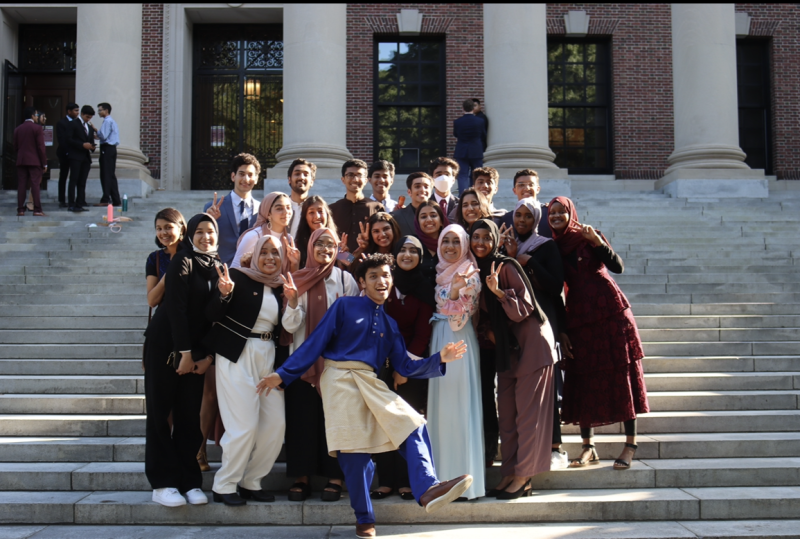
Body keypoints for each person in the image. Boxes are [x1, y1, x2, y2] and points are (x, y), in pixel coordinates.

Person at [258, 253, 473, 539]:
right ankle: (364, 519)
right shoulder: (345, 306)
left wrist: (439, 358)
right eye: (373, 276)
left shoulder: (390, 324)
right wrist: (284, 374)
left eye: (385, 275)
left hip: (370, 383)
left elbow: (405, 366)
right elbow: (315, 342)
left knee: (414, 424)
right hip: (339, 379)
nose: (381, 281)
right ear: (362, 282)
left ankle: (428, 489)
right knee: (354, 454)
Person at [547, 196, 649, 470]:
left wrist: (598, 243)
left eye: (561, 212)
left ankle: (630, 444)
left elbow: (618, 267)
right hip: (580, 316)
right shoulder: (554, 247)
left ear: (571, 214)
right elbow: (556, 292)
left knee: (622, 374)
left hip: (611, 312)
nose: (556, 216)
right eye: (552, 213)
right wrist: (563, 331)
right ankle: (588, 447)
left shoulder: (588, 236)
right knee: (583, 378)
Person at [470, 219, 557, 499]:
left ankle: (524, 476)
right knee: (507, 414)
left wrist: (497, 291)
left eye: (487, 237)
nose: (480, 242)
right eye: (476, 237)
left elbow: (524, 310)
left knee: (528, 417)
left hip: (532, 346)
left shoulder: (506, 266)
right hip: (507, 351)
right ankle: (509, 472)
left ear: (495, 241)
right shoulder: (474, 271)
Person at [205, 235, 287, 506]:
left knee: (275, 425)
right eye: (264, 252)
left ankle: (252, 481)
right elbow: (212, 315)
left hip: (268, 358)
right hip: (237, 355)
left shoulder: (281, 286)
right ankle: (225, 484)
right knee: (244, 426)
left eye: (275, 253)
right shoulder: (237, 277)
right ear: (253, 254)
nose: (270, 258)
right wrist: (224, 294)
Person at [144, 213, 219, 508]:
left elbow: (217, 318)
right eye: (199, 232)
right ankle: (162, 483)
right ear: (190, 234)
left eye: (210, 232)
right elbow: (174, 309)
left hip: (196, 352)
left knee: (189, 416)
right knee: (161, 414)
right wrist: (184, 353)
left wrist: (207, 356)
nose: (205, 237)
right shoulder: (182, 260)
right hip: (167, 346)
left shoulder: (217, 266)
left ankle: (189, 481)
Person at [280, 227, 359, 503]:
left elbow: (353, 324)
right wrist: (291, 302)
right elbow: (291, 325)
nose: (325, 249)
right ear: (310, 247)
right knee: (302, 420)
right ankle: (302, 477)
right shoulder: (298, 279)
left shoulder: (345, 280)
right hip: (303, 363)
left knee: (334, 420)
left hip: (335, 364)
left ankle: (334, 478)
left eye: (330, 245)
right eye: (319, 244)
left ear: (337, 249)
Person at [504, 197, 569, 470]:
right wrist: (508, 255)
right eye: (518, 215)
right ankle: (522, 445)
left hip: (541, 321)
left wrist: (526, 261)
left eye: (527, 216)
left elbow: (555, 287)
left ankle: (554, 445)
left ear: (536, 219)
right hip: (513, 322)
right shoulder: (505, 244)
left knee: (547, 386)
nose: (521, 220)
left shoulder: (546, 246)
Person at [371, 236, 435, 501]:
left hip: (411, 368)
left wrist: (404, 369)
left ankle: (407, 480)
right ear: (395, 254)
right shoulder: (385, 286)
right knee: (384, 423)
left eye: (413, 251)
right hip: (381, 367)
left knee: (407, 424)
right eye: (402, 250)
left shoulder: (424, 288)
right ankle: (386, 479)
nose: (407, 255)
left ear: (420, 256)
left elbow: (422, 334)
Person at [426, 224, 485, 500]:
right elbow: (442, 301)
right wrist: (450, 292)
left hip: (459, 338)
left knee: (460, 403)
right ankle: (440, 479)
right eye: (445, 241)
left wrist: (455, 292)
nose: (450, 246)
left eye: (455, 241)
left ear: (464, 244)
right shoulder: (437, 272)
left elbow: (461, 311)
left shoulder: (471, 274)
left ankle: (465, 478)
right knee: (442, 405)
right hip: (439, 336)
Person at [204, 153, 262, 265]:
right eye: (241, 174)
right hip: (221, 270)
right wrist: (208, 220)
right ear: (233, 176)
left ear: (256, 179)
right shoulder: (213, 208)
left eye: (250, 175)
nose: (246, 179)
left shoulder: (262, 209)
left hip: (251, 271)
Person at [232, 191, 298, 271]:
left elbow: (292, 276)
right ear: (268, 213)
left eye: (288, 207)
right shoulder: (254, 236)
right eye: (279, 208)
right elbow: (234, 270)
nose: (286, 212)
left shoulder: (288, 239)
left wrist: (295, 263)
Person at [330, 159, 385, 253]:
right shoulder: (332, 209)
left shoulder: (376, 207)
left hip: (369, 263)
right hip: (338, 264)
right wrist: (347, 260)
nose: (355, 179)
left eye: (359, 175)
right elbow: (329, 241)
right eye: (350, 175)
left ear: (366, 180)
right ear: (343, 180)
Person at [146, 208, 187, 310]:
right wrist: (168, 276)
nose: (163, 232)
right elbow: (151, 301)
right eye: (159, 229)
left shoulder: (190, 255)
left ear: (181, 229)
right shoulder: (154, 258)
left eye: (168, 227)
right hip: (164, 318)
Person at [13, 106, 47, 217]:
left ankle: (20, 210)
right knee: (35, 185)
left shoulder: (18, 129)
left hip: (21, 160)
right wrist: (44, 162)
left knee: (22, 185)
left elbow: (16, 146)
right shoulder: (37, 128)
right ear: (33, 116)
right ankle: (37, 209)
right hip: (35, 160)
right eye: (36, 115)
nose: (37, 117)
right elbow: (41, 147)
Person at [499, 169, 551, 238]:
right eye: (521, 185)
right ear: (514, 190)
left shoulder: (549, 213)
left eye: (531, 184)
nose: (527, 188)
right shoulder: (507, 219)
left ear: (538, 189)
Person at [66, 105, 96, 213]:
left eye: (90, 118)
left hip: (85, 158)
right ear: (82, 114)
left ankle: (80, 202)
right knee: (73, 180)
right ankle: (71, 203)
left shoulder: (89, 127)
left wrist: (92, 147)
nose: (88, 119)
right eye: (87, 117)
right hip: (75, 156)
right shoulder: (73, 124)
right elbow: (69, 139)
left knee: (82, 181)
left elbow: (91, 140)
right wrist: (82, 145)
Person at [295, 196, 338, 268]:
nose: (317, 216)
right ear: (305, 217)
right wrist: (294, 264)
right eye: (311, 212)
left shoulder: (336, 243)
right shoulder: (297, 246)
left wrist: (359, 250)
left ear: (327, 214)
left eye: (320, 211)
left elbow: (350, 261)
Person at [453, 99, 486, 194]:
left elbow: (456, 134)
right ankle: (476, 193)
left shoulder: (457, 122)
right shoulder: (480, 121)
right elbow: (483, 135)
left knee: (462, 174)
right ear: (473, 108)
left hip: (462, 150)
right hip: (476, 150)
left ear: (463, 108)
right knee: (477, 174)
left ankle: (463, 195)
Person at [93, 102, 121, 207]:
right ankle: (116, 199)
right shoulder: (113, 122)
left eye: (100, 110)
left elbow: (103, 136)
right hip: (112, 149)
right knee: (111, 174)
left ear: (106, 110)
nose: (99, 112)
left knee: (105, 174)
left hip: (107, 149)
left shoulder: (107, 121)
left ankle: (105, 198)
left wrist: (96, 132)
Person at [413, 199, 446, 287]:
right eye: (423, 217)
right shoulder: (412, 245)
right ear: (417, 222)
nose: (428, 220)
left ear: (441, 221)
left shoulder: (450, 244)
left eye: (433, 215)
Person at [392, 171, 433, 238]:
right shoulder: (396, 217)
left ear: (431, 191)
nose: (422, 190)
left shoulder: (439, 215)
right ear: (409, 192)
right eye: (417, 186)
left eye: (426, 186)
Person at [55, 103, 79, 209]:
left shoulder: (78, 123)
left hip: (76, 155)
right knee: (63, 176)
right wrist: (68, 151)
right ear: (69, 111)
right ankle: (61, 200)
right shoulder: (61, 123)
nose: (77, 113)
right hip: (65, 154)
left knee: (74, 177)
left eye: (78, 111)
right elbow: (62, 139)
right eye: (75, 111)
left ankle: (73, 200)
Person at [286, 158, 316, 237]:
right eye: (297, 174)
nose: (301, 177)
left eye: (306, 175)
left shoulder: (317, 210)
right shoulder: (279, 208)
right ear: (289, 179)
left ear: (312, 181)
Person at [428, 157, 459, 221]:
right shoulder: (425, 204)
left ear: (453, 180)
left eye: (447, 174)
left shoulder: (460, 204)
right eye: (439, 175)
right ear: (432, 179)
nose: (443, 178)